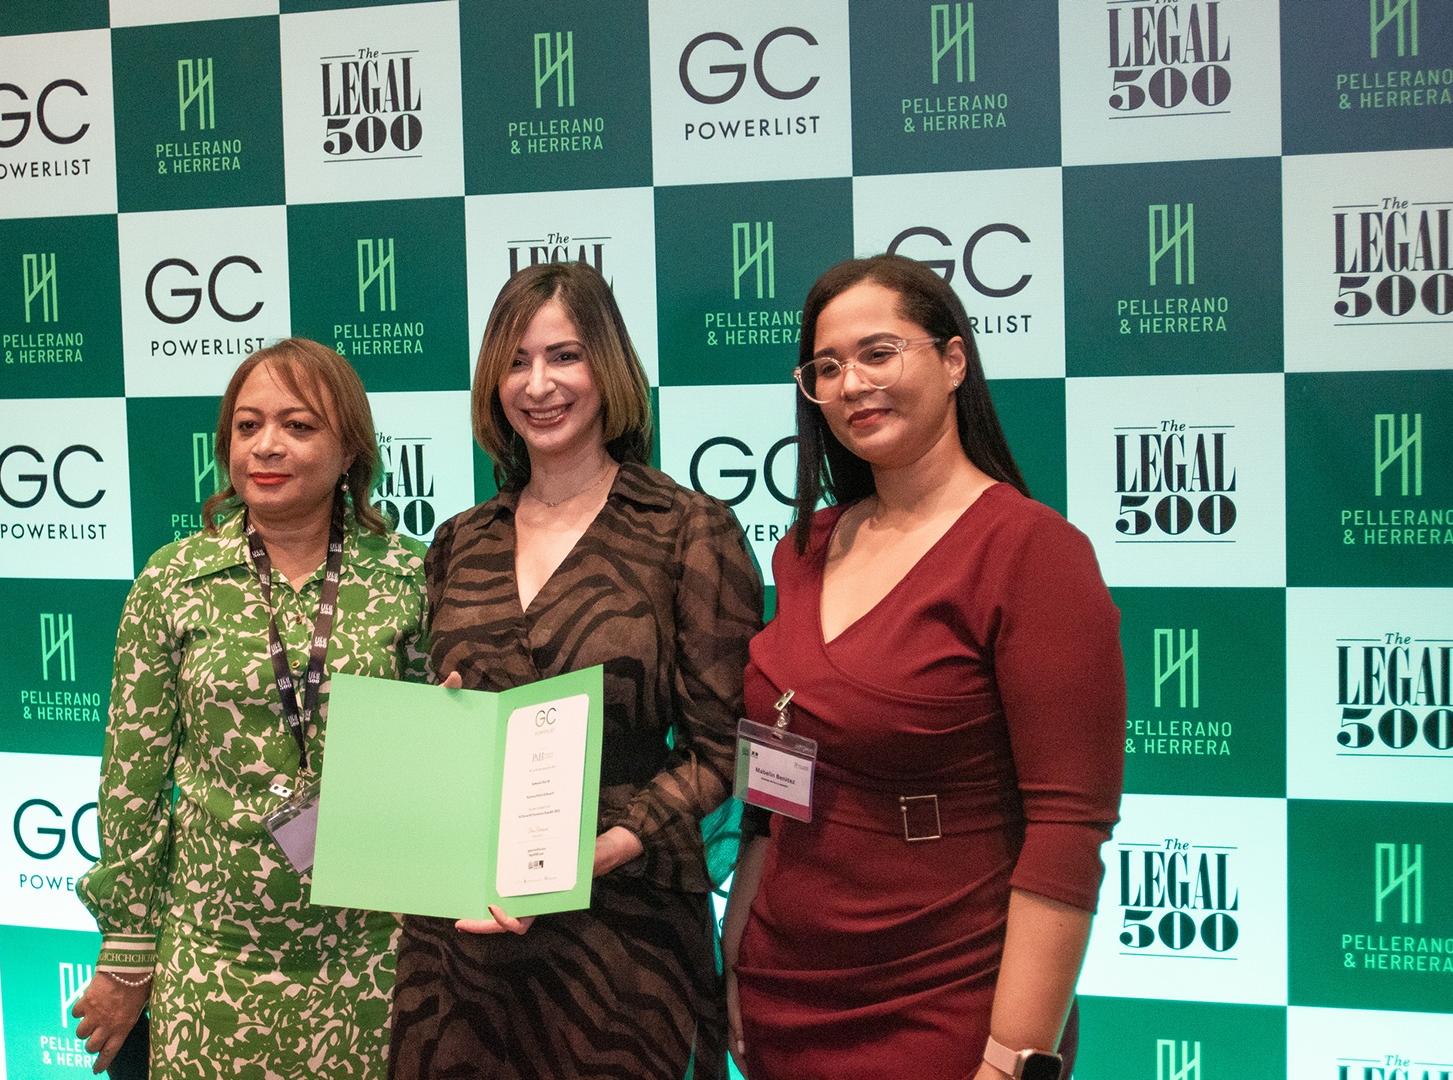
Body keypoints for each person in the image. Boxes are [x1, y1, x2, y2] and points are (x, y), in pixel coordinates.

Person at [721, 255, 1125, 1080]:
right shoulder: (805, 549)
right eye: (826, 367)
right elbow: (772, 791)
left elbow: (1066, 833)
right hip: (782, 996)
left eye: (879, 353)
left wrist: (1013, 1060)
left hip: (946, 1005)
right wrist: (737, 954)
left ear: (953, 361)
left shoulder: (1032, 553)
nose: (852, 384)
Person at [388, 261, 763, 1080]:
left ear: (610, 368)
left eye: (565, 356)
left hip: (622, 944)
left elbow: (727, 749)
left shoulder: (688, 529)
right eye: (517, 362)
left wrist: (595, 854)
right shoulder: (460, 539)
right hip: (460, 944)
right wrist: (440, 735)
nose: (538, 384)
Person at [71, 339, 428, 1078]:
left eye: (298, 425)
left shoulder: (411, 577)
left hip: (373, 957)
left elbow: (438, 763)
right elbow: (132, 784)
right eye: (247, 425)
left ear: (349, 449)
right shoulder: (174, 580)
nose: (266, 445)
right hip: (213, 962)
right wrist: (127, 957)